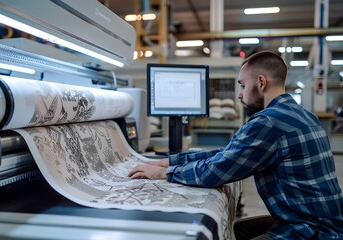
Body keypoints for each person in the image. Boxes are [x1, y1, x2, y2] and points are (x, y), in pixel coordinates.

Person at [128, 51, 343, 239]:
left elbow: (217, 170)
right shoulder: (303, 114)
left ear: (261, 82)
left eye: (242, 85)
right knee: (238, 229)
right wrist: (168, 161)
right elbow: (228, 153)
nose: (239, 94)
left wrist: (164, 174)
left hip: (312, 230)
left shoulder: (268, 122)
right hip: (327, 220)